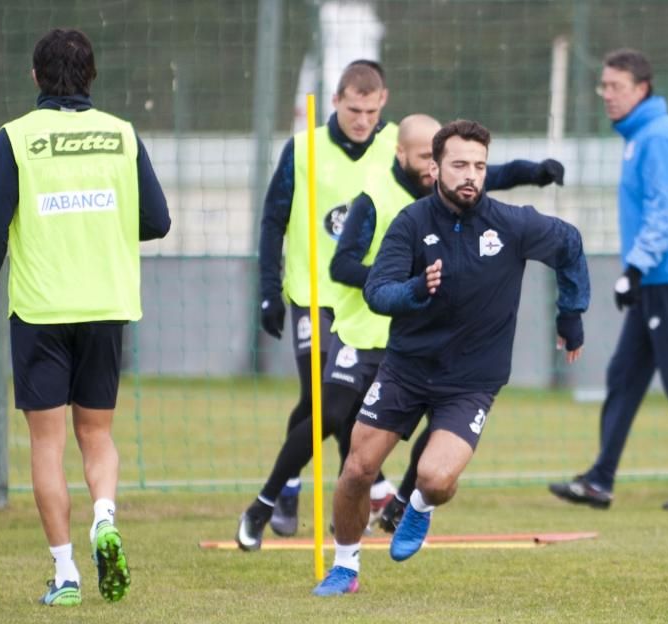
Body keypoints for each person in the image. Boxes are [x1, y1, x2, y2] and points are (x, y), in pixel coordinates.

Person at [236, 114, 566, 549]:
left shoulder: (447, 196)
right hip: (365, 327)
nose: (436, 168)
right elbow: (342, 266)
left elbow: (491, 174)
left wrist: (537, 173)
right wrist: (400, 280)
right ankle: (267, 501)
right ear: (404, 156)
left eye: (439, 159)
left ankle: (400, 504)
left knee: (443, 420)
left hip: (422, 337)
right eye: (427, 159)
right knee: (330, 414)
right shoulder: (375, 199)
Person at [312, 119, 590, 596]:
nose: (471, 175)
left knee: (436, 479)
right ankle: (344, 566)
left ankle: (418, 506)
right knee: (358, 468)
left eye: (479, 166)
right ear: (435, 167)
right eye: (459, 164)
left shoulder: (512, 224)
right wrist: (418, 289)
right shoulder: (411, 223)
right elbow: (379, 292)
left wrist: (571, 315)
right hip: (406, 369)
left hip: (472, 379)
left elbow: (569, 244)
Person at [0, 29, 171, 606]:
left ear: (35, 78)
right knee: (96, 434)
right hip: (106, 305)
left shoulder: (17, 138)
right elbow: (158, 220)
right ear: (92, 77)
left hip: (42, 310)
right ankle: (105, 516)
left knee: (47, 446)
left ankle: (67, 574)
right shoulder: (122, 135)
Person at [548, 48, 668, 512]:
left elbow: (665, 211)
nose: (607, 95)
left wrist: (634, 269)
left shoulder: (657, 136)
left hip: (667, 279)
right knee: (624, 376)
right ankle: (599, 480)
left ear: (641, 89)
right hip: (655, 279)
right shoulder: (639, 136)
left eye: (617, 87)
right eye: (604, 86)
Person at [255, 59, 400, 536]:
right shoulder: (302, 150)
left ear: (383, 105)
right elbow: (273, 220)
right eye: (353, 109)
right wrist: (268, 291)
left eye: (371, 111)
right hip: (313, 295)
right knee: (324, 400)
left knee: (342, 403)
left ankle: (306, 490)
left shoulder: (396, 144)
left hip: (370, 299)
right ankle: (364, 488)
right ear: (335, 101)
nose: (362, 121)